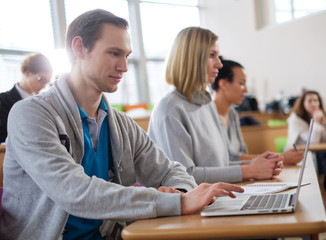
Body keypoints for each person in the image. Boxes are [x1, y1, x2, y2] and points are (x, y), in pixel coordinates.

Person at [0, 9, 244, 240]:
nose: (124, 67)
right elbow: (75, 192)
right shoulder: (30, 114)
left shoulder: (121, 124)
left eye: (126, 56)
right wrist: (176, 203)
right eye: (114, 53)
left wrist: (180, 192)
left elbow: (171, 170)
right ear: (79, 48)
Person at [148, 27, 283, 185]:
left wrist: (252, 165)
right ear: (191, 59)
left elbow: (220, 164)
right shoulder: (169, 108)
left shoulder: (207, 104)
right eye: (212, 56)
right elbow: (184, 175)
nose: (219, 64)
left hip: (217, 198)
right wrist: (249, 171)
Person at [211, 57, 304, 165]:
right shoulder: (208, 115)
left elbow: (242, 152)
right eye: (241, 83)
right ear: (224, 84)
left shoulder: (232, 113)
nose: (246, 90)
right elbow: (228, 159)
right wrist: (281, 157)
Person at [0, 53, 53, 143]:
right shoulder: (3, 100)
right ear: (27, 73)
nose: (43, 85)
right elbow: (3, 135)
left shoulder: (42, 104)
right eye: (41, 79)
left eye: (47, 81)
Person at [285, 90, 326, 188]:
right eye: (310, 101)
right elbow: (312, 142)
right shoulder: (295, 119)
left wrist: (324, 124)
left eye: (316, 100)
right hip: (299, 156)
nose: (314, 104)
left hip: (317, 154)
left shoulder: (321, 115)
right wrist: (316, 122)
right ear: (302, 104)